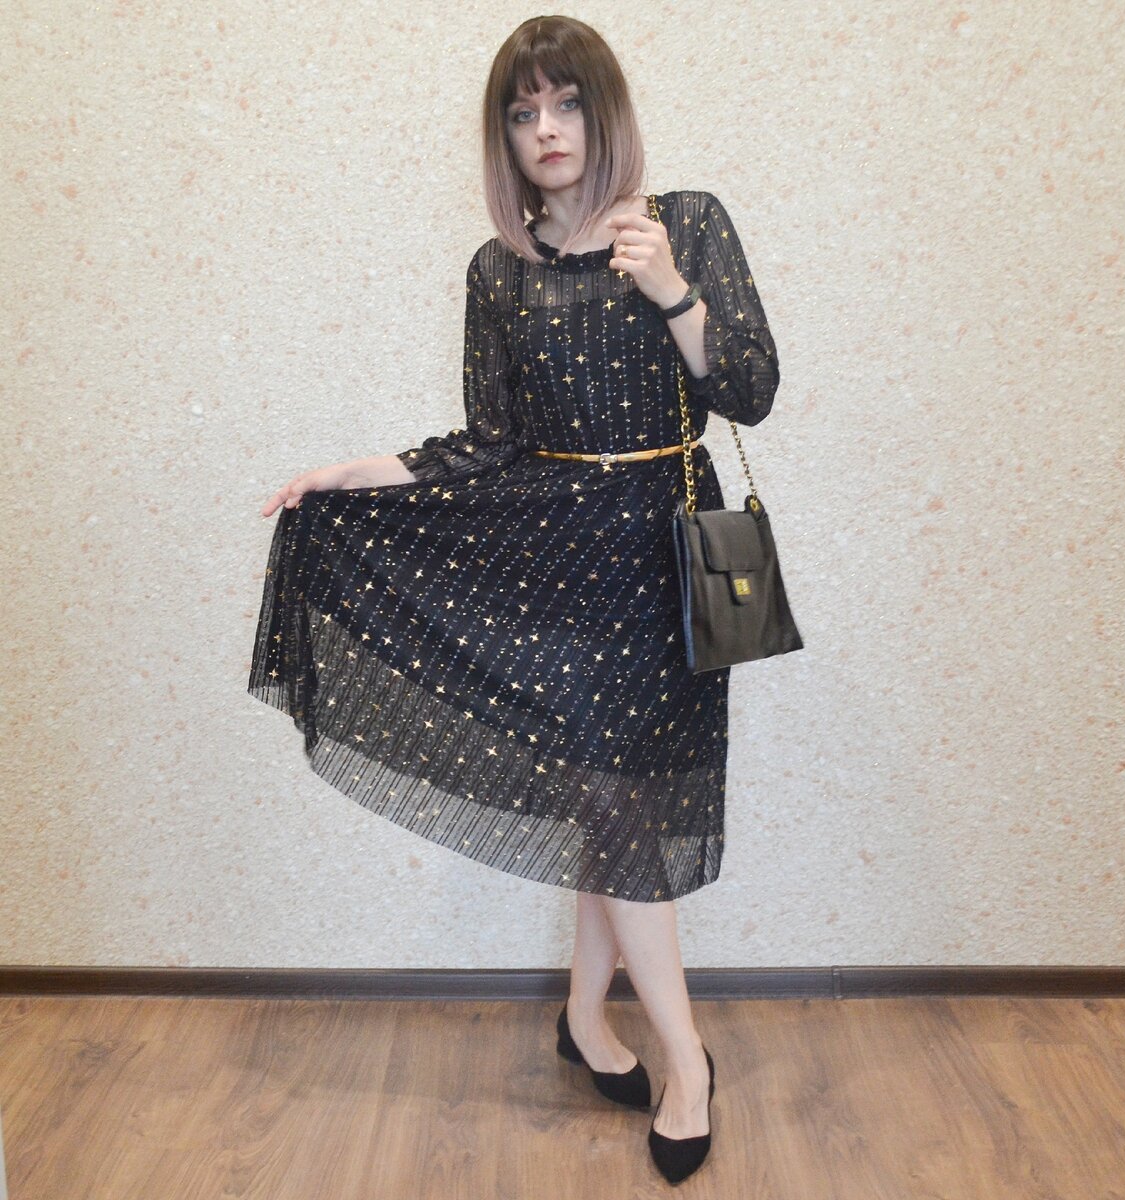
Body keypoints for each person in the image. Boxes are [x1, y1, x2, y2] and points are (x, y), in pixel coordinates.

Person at [249, 14, 779, 1185]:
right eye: (523, 111)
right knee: (615, 799)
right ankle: (684, 1061)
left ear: (605, 109)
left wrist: (672, 289)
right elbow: (486, 444)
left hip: (674, 560)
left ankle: (586, 1019)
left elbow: (751, 388)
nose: (546, 129)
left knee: (617, 803)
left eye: (566, 103)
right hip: (564, 567)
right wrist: (347, 475)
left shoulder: (685, 223)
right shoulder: (499, 271)